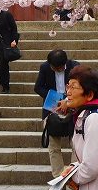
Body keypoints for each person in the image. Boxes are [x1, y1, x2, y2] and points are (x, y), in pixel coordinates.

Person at [34, 48, 80, 177]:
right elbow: (38, 87)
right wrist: (56, 99)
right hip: (52, 108)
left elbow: (81, 88)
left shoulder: (75, 67)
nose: (54, 69)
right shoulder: (45, 67)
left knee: (76, 145)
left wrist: (66, 100)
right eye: (52, 67)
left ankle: (73, 177)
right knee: (53, 146)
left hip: (72, 108)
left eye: (57, 67)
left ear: (63, 65)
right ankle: (58, 177)